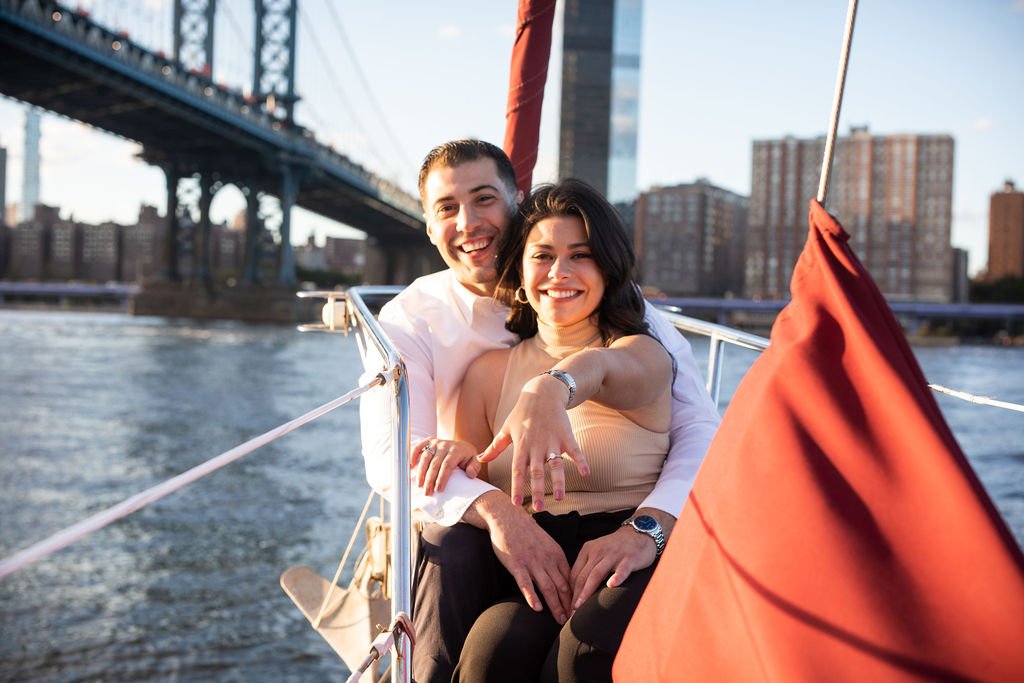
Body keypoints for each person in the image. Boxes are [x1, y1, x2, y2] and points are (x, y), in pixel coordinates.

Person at [357, 139, 720, 682]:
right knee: (469, 600)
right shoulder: (413, 320)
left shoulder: (633, 330)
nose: (469, 222)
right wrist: (473, 473)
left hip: (625, 535)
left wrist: (649, 525)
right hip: (521, 541)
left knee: (579, 655)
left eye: (484, 200)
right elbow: (395, 457)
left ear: (515, 202)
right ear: (429, 227)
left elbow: (698, 426)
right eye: (447, 209)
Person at [414, 178, 674, 681]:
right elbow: (474, 478)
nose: (560, 273)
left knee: (580, 654)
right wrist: (456, 454)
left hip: (627, 552)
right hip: (538, 557)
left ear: (608, 266)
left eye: (581, 255)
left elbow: (600, 370)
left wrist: (549, 389)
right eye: (543, 256)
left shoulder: (640, 352)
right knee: (492, 653)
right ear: (519, 268)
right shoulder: (489, 372)